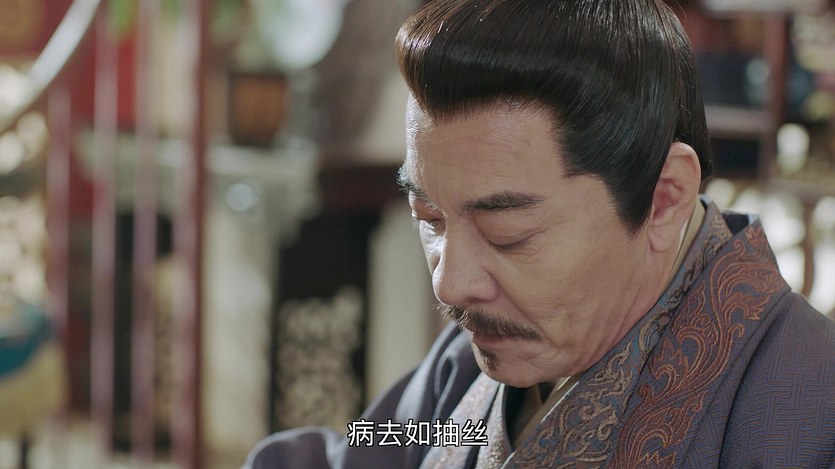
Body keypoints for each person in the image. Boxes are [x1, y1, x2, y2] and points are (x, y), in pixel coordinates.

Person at [244, 0, 835, 467]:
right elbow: (382, 442)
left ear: (664, 199)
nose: (451, 284)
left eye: (507, 233)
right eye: (430, 219)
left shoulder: (809, 416)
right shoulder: (472, 366)